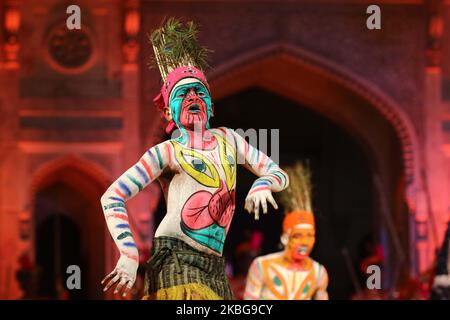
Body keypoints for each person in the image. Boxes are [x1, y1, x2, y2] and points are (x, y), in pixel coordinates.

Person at [100, 18, 289, 300]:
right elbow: (111, 197)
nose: (192, 96)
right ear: (168, 113)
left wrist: (263, 184)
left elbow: (278, 174)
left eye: (200, 92)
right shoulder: (167, 152)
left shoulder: (230, 139)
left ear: (211, 105)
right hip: (175, 258)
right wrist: (128, 253)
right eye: (182, 93)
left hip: (214, 264)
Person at [244, 163, 328, 300]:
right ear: (285, 237)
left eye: (310, 236)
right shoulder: (261, 266)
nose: (304, 242)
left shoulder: (318, 272)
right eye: (297, 236)